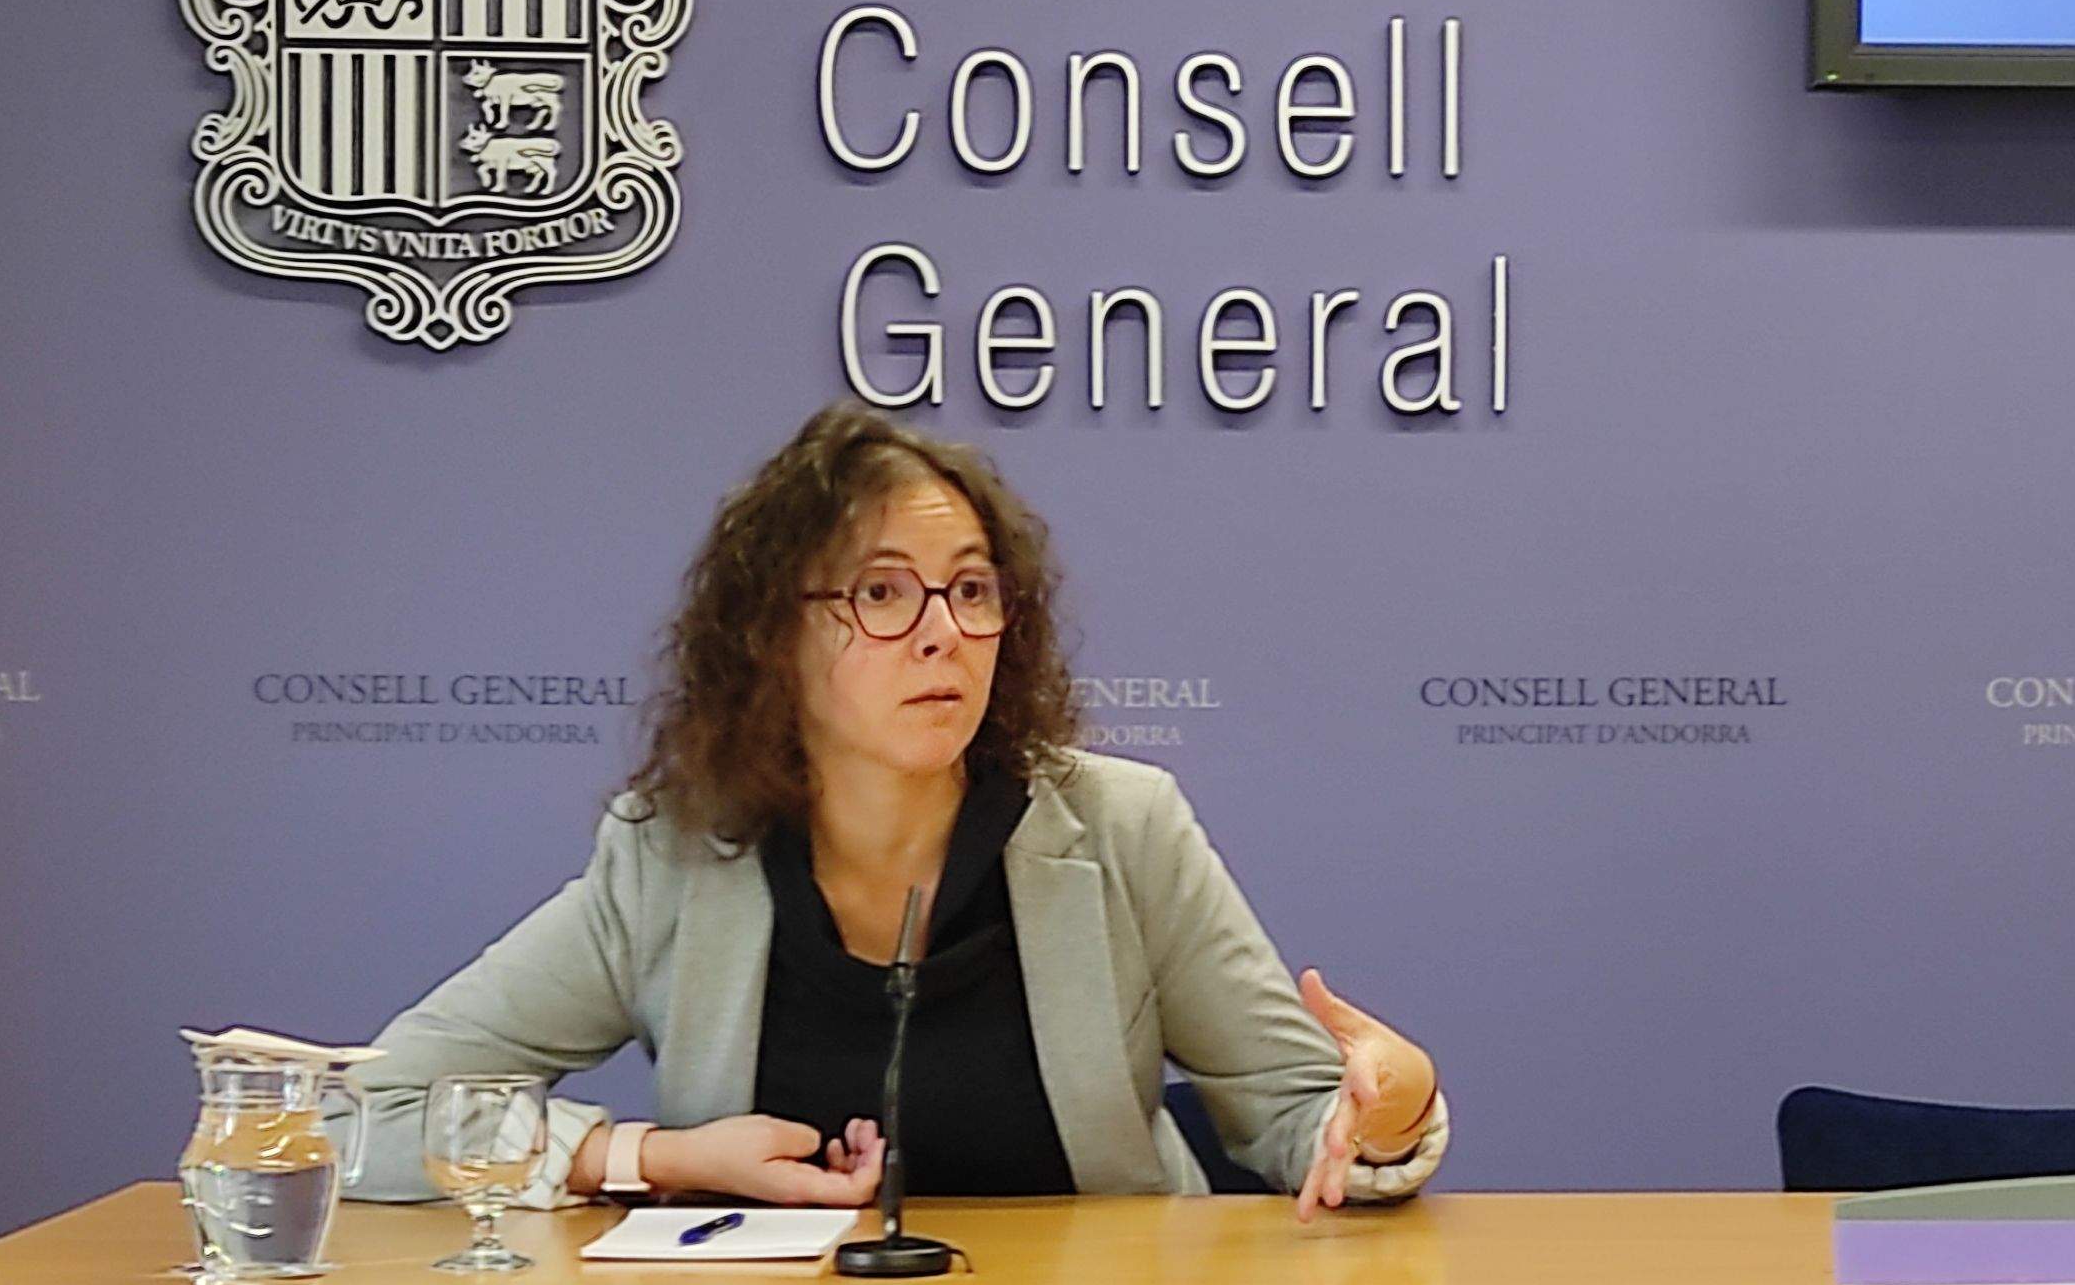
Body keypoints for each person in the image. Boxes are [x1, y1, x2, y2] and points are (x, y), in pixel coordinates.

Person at [343, 406, 1446, 1220]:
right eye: (880, 592)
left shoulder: (1118, 829)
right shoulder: (675, 858)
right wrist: (647, 1159)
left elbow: (1309, 1119)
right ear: (775, 636)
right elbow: (370, 1116)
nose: (941, 633)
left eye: (970, 590)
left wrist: (1392, 1109)